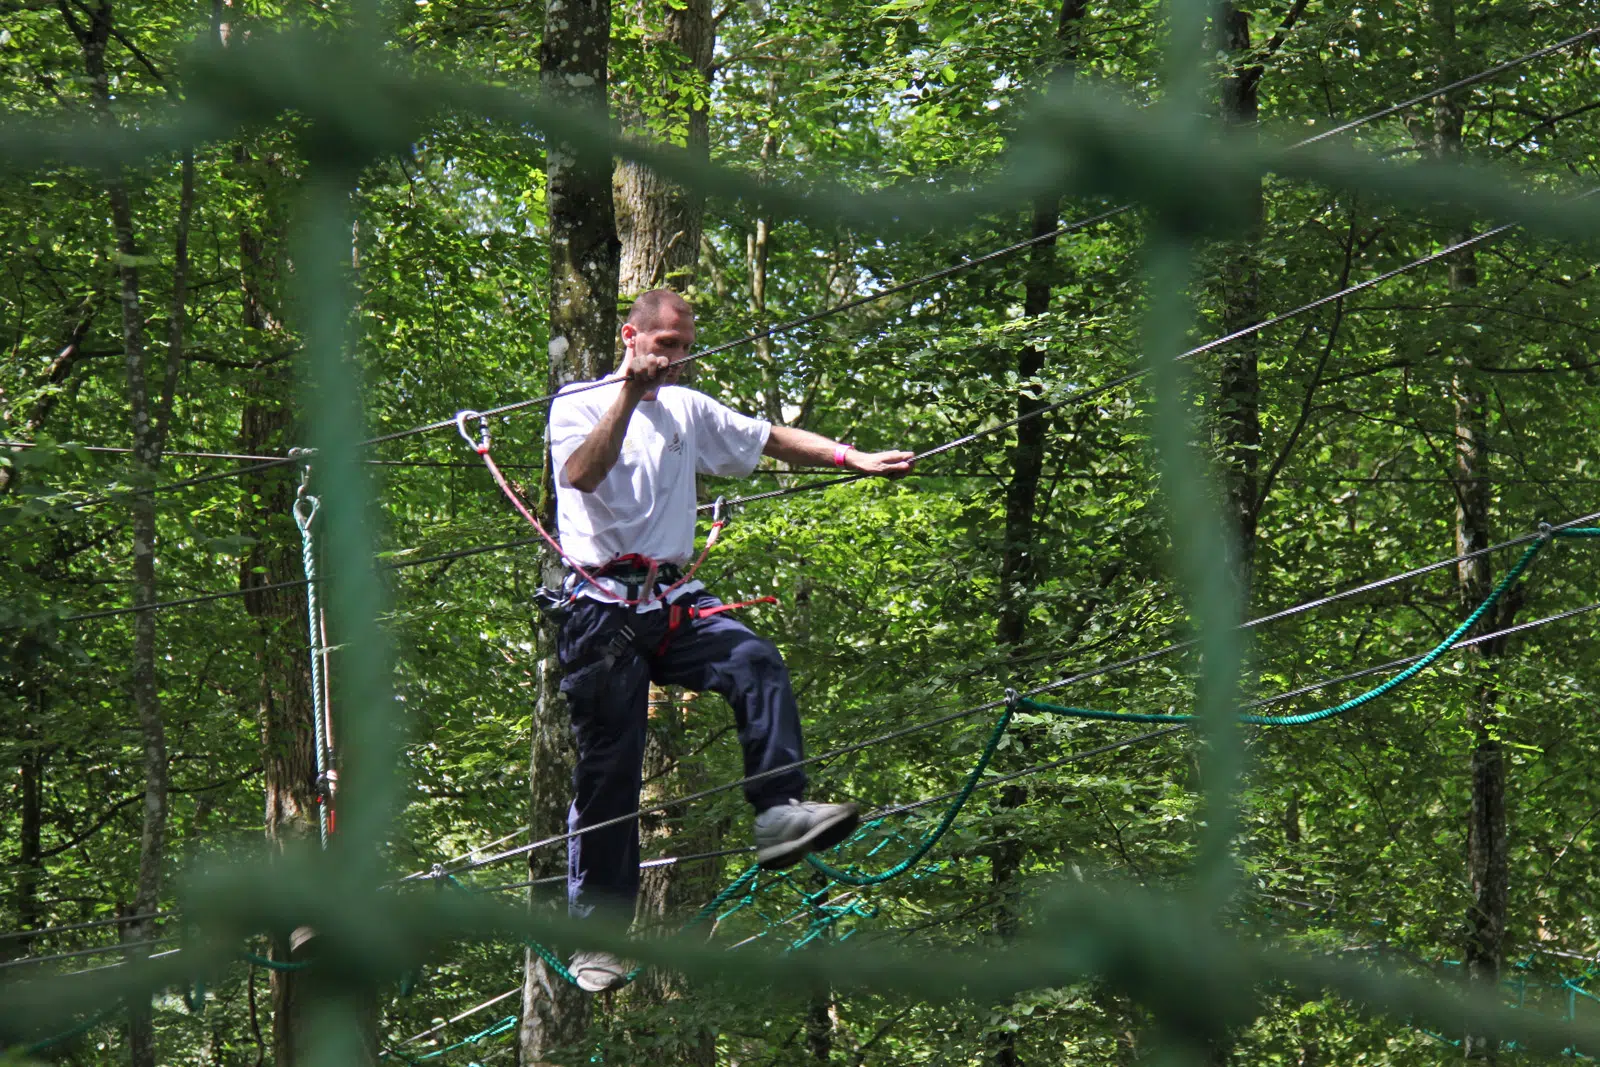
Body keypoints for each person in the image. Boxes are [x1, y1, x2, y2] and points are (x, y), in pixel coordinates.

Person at [547, 288, 914, 993]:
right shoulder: (579, 404)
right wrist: (630, 393)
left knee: (754, 658)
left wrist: (851, 457)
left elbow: (767, 437)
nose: (677, 360)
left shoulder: (689, 408)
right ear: (631, 337)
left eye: (685, 347)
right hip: (600, 613)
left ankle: (778, 810)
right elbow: (583, 474)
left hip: (671, 598)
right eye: (665, 346)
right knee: (610, 769)